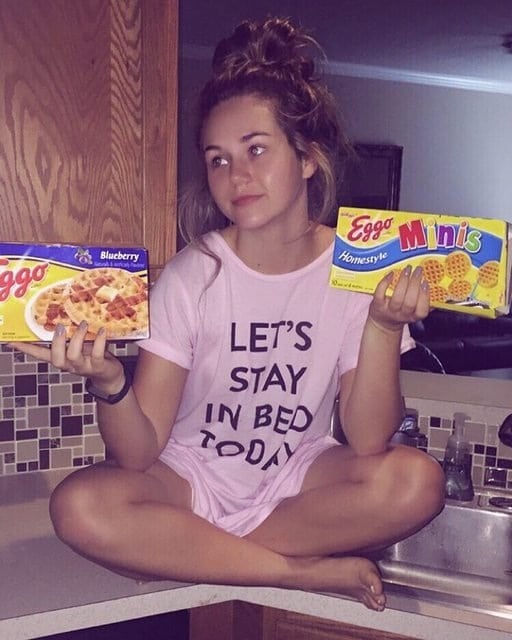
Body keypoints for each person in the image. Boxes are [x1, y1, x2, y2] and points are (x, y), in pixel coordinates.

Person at [12, 17, 444, 611]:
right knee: (79, 506)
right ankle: (292, 573)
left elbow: (369, 440)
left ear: (308, 157)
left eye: (256, 149)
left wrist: (384, 325)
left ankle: (189, 554)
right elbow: (139, 455)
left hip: (297, 480)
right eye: (217, 159)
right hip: (188, 480)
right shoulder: (194, 275)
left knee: (417, 483)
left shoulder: (356, 269)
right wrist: (110, 382)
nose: (235, 174)